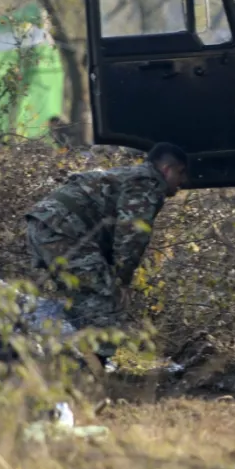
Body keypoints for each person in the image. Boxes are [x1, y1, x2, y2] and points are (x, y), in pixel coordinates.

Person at [24, 143, 189, 339]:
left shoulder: (132, 175)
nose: (183, 181)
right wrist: (122, 280)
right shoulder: (148, 183)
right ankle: (89, 363)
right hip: (63, 230)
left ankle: (44, 346)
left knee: (82, 300)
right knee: (106, 303)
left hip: (48, 225)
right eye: (181, 173)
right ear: (166, 169)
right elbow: (132, 235)